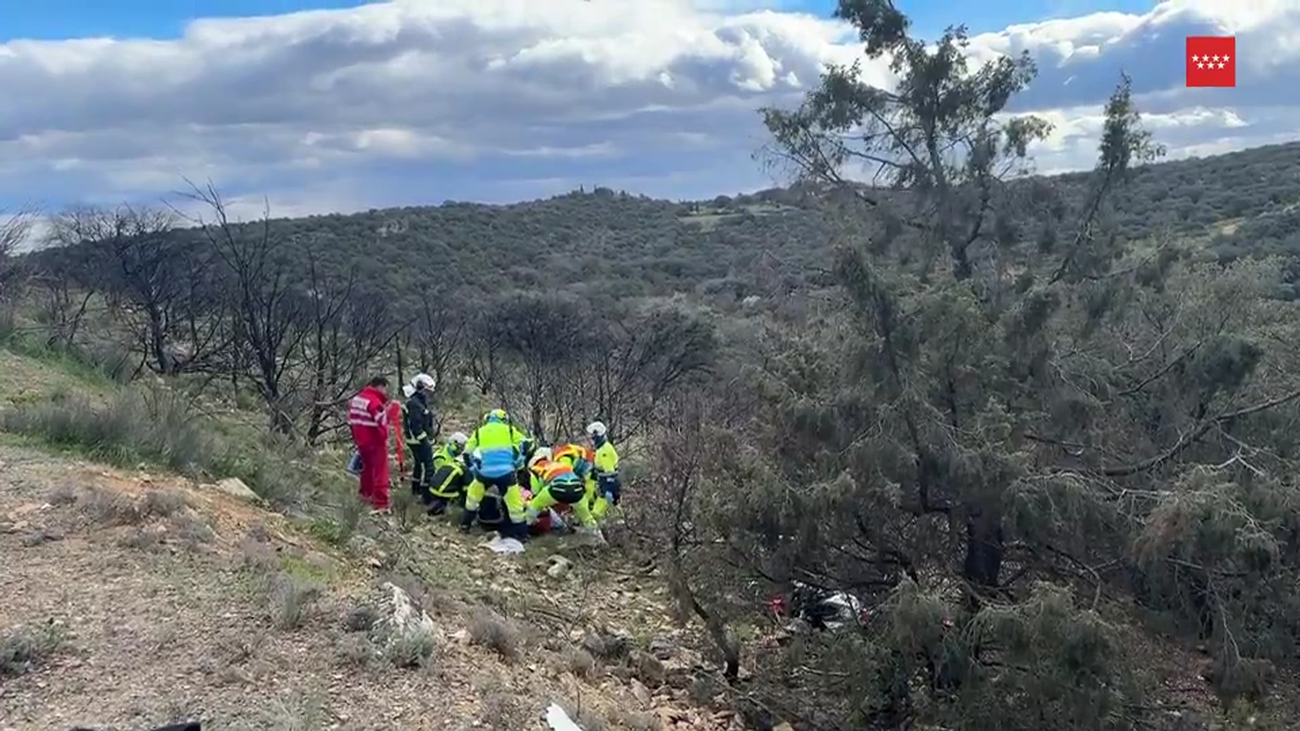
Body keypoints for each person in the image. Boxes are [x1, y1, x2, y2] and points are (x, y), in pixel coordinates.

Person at [460, 409, 531, 539]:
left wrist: (474, 469)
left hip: (484, 473)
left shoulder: (479, 432)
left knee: (472, 498)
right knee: (515, 505)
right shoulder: (509, 430)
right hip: (506, 473)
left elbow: (466, 454)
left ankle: (465, 526)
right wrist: (519, 462)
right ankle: (522, 535)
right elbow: (526, 443)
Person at [347, 376, 393, 513]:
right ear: (380, 386)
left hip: (361, 441)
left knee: (366, 469)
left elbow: (351, 420)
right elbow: (382, 421)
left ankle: (365, 495)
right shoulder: (374, 402)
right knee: (380, 472)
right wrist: (388, 412)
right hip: (375, 442)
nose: (385, 392)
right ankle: (381, 503)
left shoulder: (357, 399)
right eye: (385, 388)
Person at [526, 448, 596, 532]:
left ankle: (525, 528)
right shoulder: (560, 464)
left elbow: (536, 489)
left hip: (557, 487)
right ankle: (597, 535)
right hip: (576, 488)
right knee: (587, 518)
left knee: (534, 506)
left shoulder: (535, 468)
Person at [402, 373, 440, 508]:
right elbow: (416, 425)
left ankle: (416, 489)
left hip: (415, 439)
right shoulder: (414, 404)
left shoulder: (416, 402)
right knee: (429, 466)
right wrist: (425, 440)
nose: (428, 394)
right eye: (427, 391)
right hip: (418, 440)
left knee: (419, 464)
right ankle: (426, 496)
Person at [426, 431, 471, 516]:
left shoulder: (452, 454)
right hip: (439, 486)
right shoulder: (440, 458)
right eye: (460, 448)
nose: (461, 450)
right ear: (453, 445)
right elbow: (442, 475)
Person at [585, 421, 621, 521]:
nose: (591, 439)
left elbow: (609, 472)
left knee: (602, 511)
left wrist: (608, 488)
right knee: (602, 510)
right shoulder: (601, 448)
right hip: (604, 483)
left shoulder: (605, 450)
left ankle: (619, 527)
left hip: (609, 484)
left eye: (592, 436)